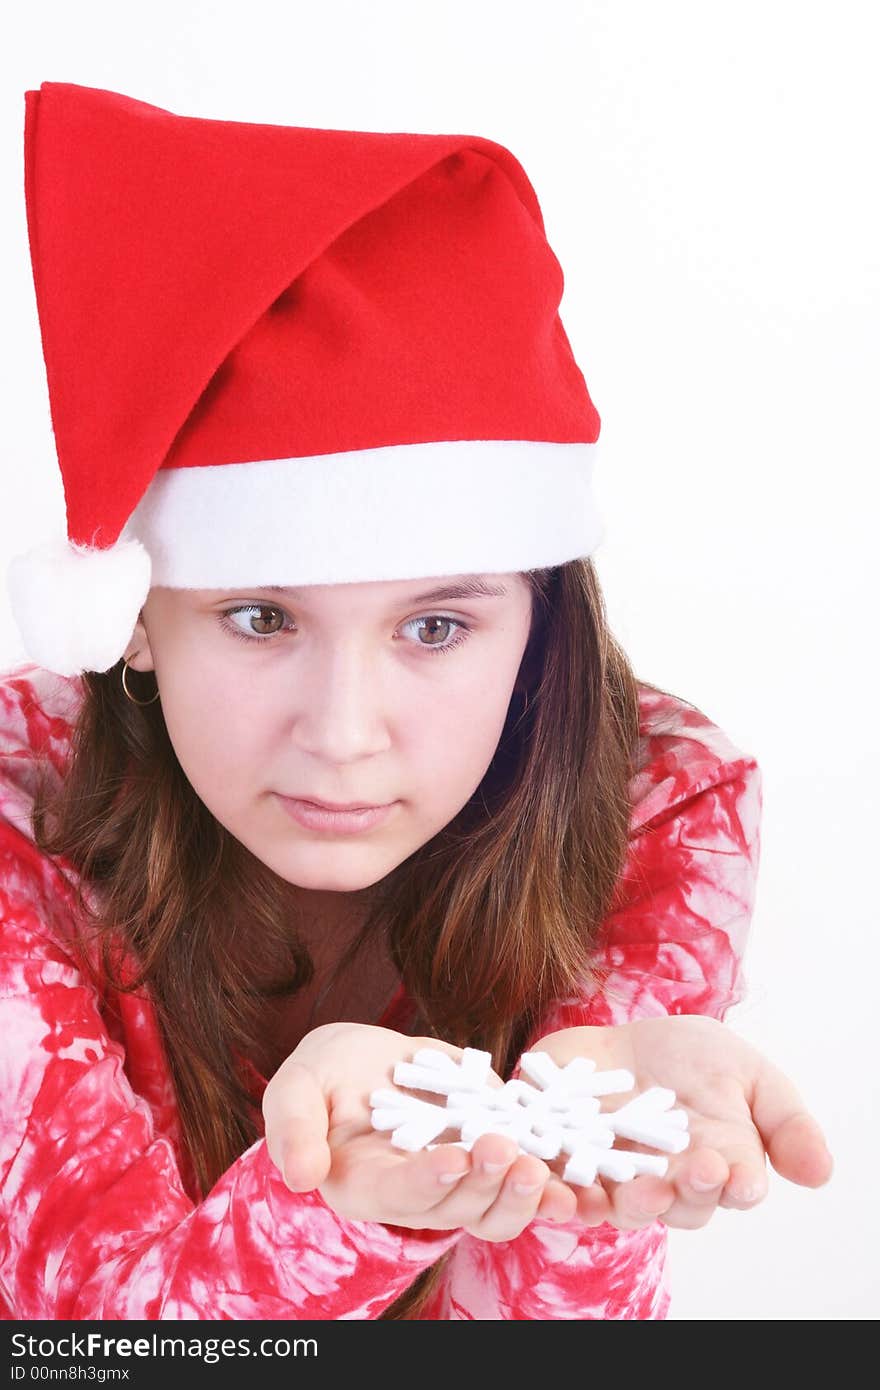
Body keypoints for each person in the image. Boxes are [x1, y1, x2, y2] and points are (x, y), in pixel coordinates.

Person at [0, 81, 831, 1322]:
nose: (342, 734)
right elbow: (84, 1335)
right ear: (134, 622)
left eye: (435, 626)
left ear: (537, 622)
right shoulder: (24, 799)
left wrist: (568, 1191)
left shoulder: (663, 802)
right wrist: (340, 1203)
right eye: (260, 617)